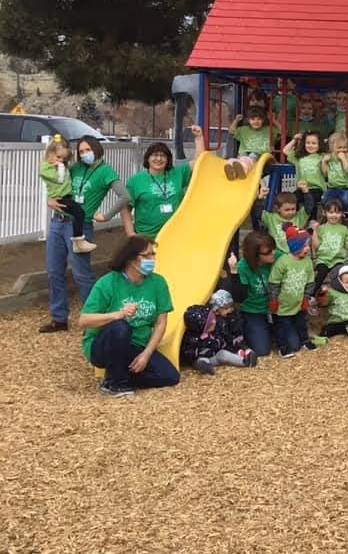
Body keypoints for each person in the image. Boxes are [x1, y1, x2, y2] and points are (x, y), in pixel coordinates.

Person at [41, 135, 131, 334]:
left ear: (96, 149)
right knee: (54, 271)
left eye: (87, 150)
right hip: (57, 221)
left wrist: (106, 216)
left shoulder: (106, 172)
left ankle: (93, 318)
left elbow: (125, 195)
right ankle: (59, 318)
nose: (84, 154)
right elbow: (57, 183)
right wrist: (50, 199)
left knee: (81, 273)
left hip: (79, 226)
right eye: (81, 151)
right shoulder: (75, 168)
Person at [78, 236, 180, 397]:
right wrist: (117, 315)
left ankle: (117, 376)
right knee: (121, 327)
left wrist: (146, 355)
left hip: (137, 345)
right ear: (131, 259)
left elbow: (161, 323)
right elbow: (84, 321)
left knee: (170, 376)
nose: (152, 259)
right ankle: (116, 384)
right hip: (104, 346)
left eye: (153, 254)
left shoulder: (158, 283)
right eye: (147, 255)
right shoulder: (107, 283)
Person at [125, 125, 205, 240]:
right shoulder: (136, 180)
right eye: (155, 155)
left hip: (175, 235)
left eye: (163, 156)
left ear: (168, 159)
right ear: (148, 158)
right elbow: (126, 209)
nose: (159, 159)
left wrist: (199, 138)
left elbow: (199, 161)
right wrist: (131, 234)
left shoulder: (177, 173)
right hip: (147, 238)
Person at [268, 224, 325, 357]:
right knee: (282, 327)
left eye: (307, 245)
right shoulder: (282, 262)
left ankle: (305, 340)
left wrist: (306, 298)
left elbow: (310, 282)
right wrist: (273, 299)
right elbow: (274, 283)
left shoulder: (307, 262)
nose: (307, 249)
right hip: (282, 306)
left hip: (298, 304)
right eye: (304, 246)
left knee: (301, 324)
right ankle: (283, 347)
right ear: (295, 246)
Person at [38, 135, 96, 254]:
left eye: (64, 158)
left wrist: (62, 165)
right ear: (50, 152)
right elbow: (59, 179)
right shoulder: (46, 167)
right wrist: (59, 167)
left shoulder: (63, 165)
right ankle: (78, 241)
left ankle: (78, 241)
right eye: (58, 157)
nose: (61, 160)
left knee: (78, 213)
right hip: (60, 198)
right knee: (79, 213)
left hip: (65, 197)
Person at [222, 231, 276, 357]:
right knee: (262, 350)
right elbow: (239, 297)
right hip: (253, 311)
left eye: (273, 249)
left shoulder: (275, 257)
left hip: (275, 308)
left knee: (291, 343)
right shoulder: (243, 267)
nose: (273, 253)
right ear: (255, 255)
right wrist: (234, 271)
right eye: (268, 252)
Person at [181, 290, 258, 375]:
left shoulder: (220, 325)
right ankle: (204, 366)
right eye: (226, 308)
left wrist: (243, 348)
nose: (214, 322)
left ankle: (244, 362)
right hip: (202, 357)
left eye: (231, 307)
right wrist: (201, 352)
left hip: (216, 354)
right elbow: (187, 352)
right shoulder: (194, 338)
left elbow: (227, 339)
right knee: (201, 359)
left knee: (223, 354)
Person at [312, 200, 348, 292]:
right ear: (325, 213)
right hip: (323, 259)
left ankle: (336, 294)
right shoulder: (321, 228)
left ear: (341, 214)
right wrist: (315, 232)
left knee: (339, 276)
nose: (334, 215)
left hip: (337, 260)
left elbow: (347, 246)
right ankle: (312, 295)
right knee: (321, 274)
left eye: (337, 212)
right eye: (331, 212)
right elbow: (316, 245)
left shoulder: (343, 229)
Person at [284, 131, 327, 219]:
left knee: (311, 199)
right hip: (301, 188)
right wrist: (295, 139)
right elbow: (285, 150)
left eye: (314, 143)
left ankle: (312, 221)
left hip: (316, 188)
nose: (310, 145)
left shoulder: (322, 156)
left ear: (319, 144)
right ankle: (294, 219)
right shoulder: (299, 156)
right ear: (304, 143)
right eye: (308, 143)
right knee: (292, 199)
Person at [226, 106, 271, 180]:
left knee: (253, 155)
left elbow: (282, 131)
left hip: (259, 154)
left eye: (259, 119)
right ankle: (231, 166)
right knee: (239, 158)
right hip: (244, 152)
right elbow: (231, 131)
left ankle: (243, 169)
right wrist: (236, 121)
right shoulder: (244, 130)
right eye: (253, 119)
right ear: (248, 120)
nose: (256, 122)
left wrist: (274, 121)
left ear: (263, 120)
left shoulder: (268, 129)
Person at [321, 132, 348, 213]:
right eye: (339, 147)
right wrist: (323, 162)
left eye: (344, 147)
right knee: (324, 199)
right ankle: (329, 213)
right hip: (332, 187)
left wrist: (343, 160)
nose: (342, 150)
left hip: (345, 188)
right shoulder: (329, 157)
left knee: (345, 200)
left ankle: (346, 212)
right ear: (332, 147)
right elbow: (325, 174)